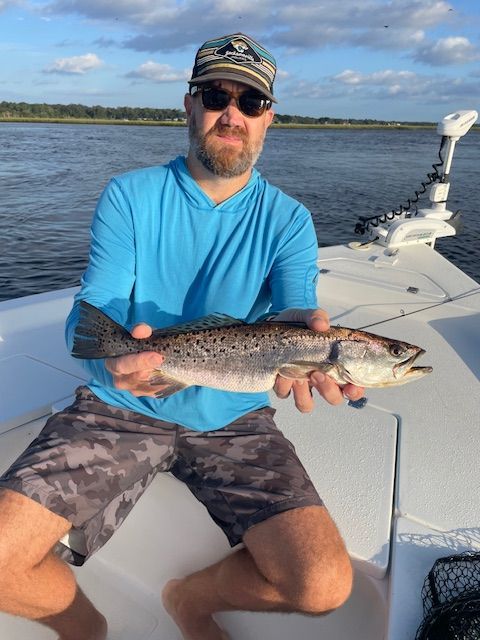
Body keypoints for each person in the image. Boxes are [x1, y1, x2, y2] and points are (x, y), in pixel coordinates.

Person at [0, 33, 364, 640]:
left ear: (269, 118)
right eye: (217, 95)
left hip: (233, 416)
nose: (233, 114)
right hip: (121, 405)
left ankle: (189, 600)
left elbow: (301, 312)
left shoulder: (290, 219)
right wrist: (118, 366)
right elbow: (95, 307)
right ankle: (85, 629)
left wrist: (315, 344)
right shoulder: (130, 195)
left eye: (250, 102)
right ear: (190, 104)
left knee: (324, 585)